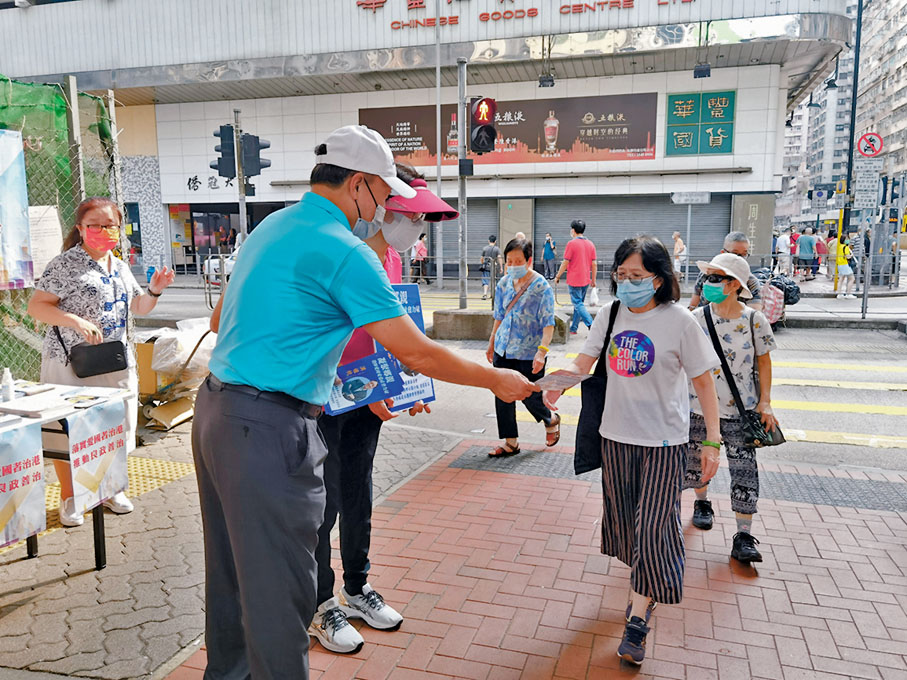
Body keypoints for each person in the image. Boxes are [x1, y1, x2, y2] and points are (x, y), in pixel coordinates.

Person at [192, 124, 535, 680]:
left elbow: (218, 319)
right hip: (270, 426)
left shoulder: (271, 226)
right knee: (281, 590)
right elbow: (418, 353)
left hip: (216, 413)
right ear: (357, 185)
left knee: (231, 577)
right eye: (383, 194)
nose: (387, 208)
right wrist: (494, 378)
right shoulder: (346, 251)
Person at [544, 235, 720, 667]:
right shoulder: (611, 313)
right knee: (625, 526)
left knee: (654, 529)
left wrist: (713, 441)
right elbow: (584, 365)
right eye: (621, 274)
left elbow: (703, 382)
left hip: (664, 441)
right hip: (616, 437)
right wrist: (550, 387)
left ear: (658, 279)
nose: (627, 282)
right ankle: (645, 585)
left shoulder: (681, 321)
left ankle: (637, 618)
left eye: (636, 276)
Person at [311, 165, 457, 656]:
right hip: (325, 401)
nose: (414, 229)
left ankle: (356, 588)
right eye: (405, 215)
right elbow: (327, 334)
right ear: (374, 201)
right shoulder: (336, 251)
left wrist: (405, 386)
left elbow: (393, 334)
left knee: (358, 496)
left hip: (368, 406)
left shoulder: (391, 259)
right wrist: (371, 385)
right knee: (323, 505)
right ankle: (319, 604)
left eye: (419, 221)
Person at [27, 197, 175, 527]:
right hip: (70, 363)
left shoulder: (118, 265)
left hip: (113, 361)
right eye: (95, 225)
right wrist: (74, 321)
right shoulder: (64, 264)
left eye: (110, 226)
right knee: (67, 429)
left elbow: (139, 307)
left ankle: (109, 489)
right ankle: (70, 496)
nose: (103, 231)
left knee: (115, 425)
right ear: (80, 228)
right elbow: (37, 307)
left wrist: (154, 291)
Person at [684, 253, 778, 565]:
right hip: (697, 407)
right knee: (697, 464)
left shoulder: (754, 319)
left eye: (714, 277)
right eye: (707, 276)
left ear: (735, 284)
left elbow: (764, 361)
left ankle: (744, 535)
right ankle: (702, 503)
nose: (706, 283)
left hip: (741, 410)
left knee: (744, 471)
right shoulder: (697, 318)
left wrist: (765, 402)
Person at [485, 237, 559, 457]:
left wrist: (541, 352)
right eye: (509, 261)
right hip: (503, 348)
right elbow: (498, 316)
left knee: (530, 395)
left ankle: (550, 418)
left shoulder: (540, 286)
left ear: (528, 260)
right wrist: (491, 343)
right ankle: (511, 442)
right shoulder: (503, 283)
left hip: (529, 352)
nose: (513, 265)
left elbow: (548, 323)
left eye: (518, 261)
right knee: (503, 395)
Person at [688, 232, 762, 311]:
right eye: (734, 254)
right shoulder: (707, 272)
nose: (740, 259)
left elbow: (754, 311)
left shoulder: (750, 282)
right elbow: (694, 303)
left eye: (744, 254)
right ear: (723, 253)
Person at [554, 219, 597, 335]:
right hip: (585, 280)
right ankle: (574, 328)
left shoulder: (571, 244)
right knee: (579, 304)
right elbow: (594, 264)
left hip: (574, 280)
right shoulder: (590, 244)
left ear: (573, 230)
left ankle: (591, 325)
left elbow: (565, 262)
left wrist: (558, 276)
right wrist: (593, 280)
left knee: (578, 304)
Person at [480, 235, 503, 300]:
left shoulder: (485, 248)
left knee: (485, 280)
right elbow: (499, 258)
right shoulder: (497, 249)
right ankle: (494, 294)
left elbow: (481, 258)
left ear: (488, 241)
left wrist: (482, 263)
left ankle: (485, 294)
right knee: (494, 280)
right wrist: (501, 267)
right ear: (495, 241)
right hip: (494, 267)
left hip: (486, 266)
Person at [835, 232, 856, 298]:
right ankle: (848, 293)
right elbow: (848, 257)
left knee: (841, 279)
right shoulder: (845, 247)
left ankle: (839, 294)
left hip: (840, 264)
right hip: (845, 264)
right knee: (852, 278)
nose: (848, 240)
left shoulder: (839, 247)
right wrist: (851, 255)